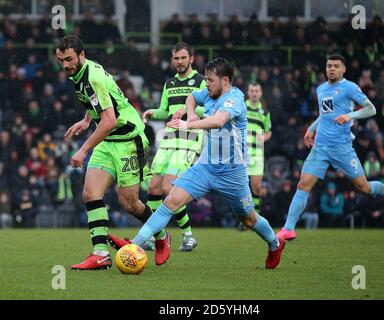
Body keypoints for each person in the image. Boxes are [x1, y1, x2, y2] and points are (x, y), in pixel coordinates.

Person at [108, 58, 286, 269]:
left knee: (248, 219)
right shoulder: (209, 92)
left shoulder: (235, 99)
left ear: (225, 80)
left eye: (210, 80)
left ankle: (275, 244)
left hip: (232, 173)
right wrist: (190, 111)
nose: (206, 84)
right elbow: (192, 96)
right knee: (170, 201)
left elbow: (218, 120)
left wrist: (187, 124)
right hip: (205, 167)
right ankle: (134, 245)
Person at [56, 35, 168, 270]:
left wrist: (84, 150)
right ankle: (100, 254)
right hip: (108, 140)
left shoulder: (91, 76)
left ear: (81, 56)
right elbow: (100, 101)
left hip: (128, 138)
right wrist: (87, 120)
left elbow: (109, 120)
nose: (65, 65)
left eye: (68, 59)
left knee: (130, 204)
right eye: (61, 60)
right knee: (90, 193)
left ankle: (161, 234)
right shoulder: (81, 72)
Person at [278, 53, 384, 241]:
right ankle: (289, 228)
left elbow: (371, 109)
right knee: (303, 184)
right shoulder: (321, 89)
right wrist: (310, 129)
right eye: (329, 66)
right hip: (320, 148)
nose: (331, 69)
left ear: (344, 69)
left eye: (336, 66)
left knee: (364, 187)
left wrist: (350, 116)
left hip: (342, 148)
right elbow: (324, 115)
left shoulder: (349, 87)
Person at [142, 42, 206, 251]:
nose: (179, 62)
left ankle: (188, 236)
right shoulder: (169, 84)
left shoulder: (201, 82)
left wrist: (187, 112)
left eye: (183, 58)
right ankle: (157, 236)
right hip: (169, 138)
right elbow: (165, 111)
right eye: (176, 58)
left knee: (169, 188)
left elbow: (209, 110)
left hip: (190, 138)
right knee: (153, 187)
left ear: (191, 58)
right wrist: (153, 112)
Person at [245, 83, 271, 216]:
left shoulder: (265, 113)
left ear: (260, 93)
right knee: (241, 188)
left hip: (257, 154)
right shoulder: (242, 108)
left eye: (256, 91)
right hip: (241, 154)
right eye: (252, 91)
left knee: (256, 187)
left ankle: (255, 216)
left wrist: (264, 137)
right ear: (248, 93)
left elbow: (268, 132)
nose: (254, 93)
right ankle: (245, 217)